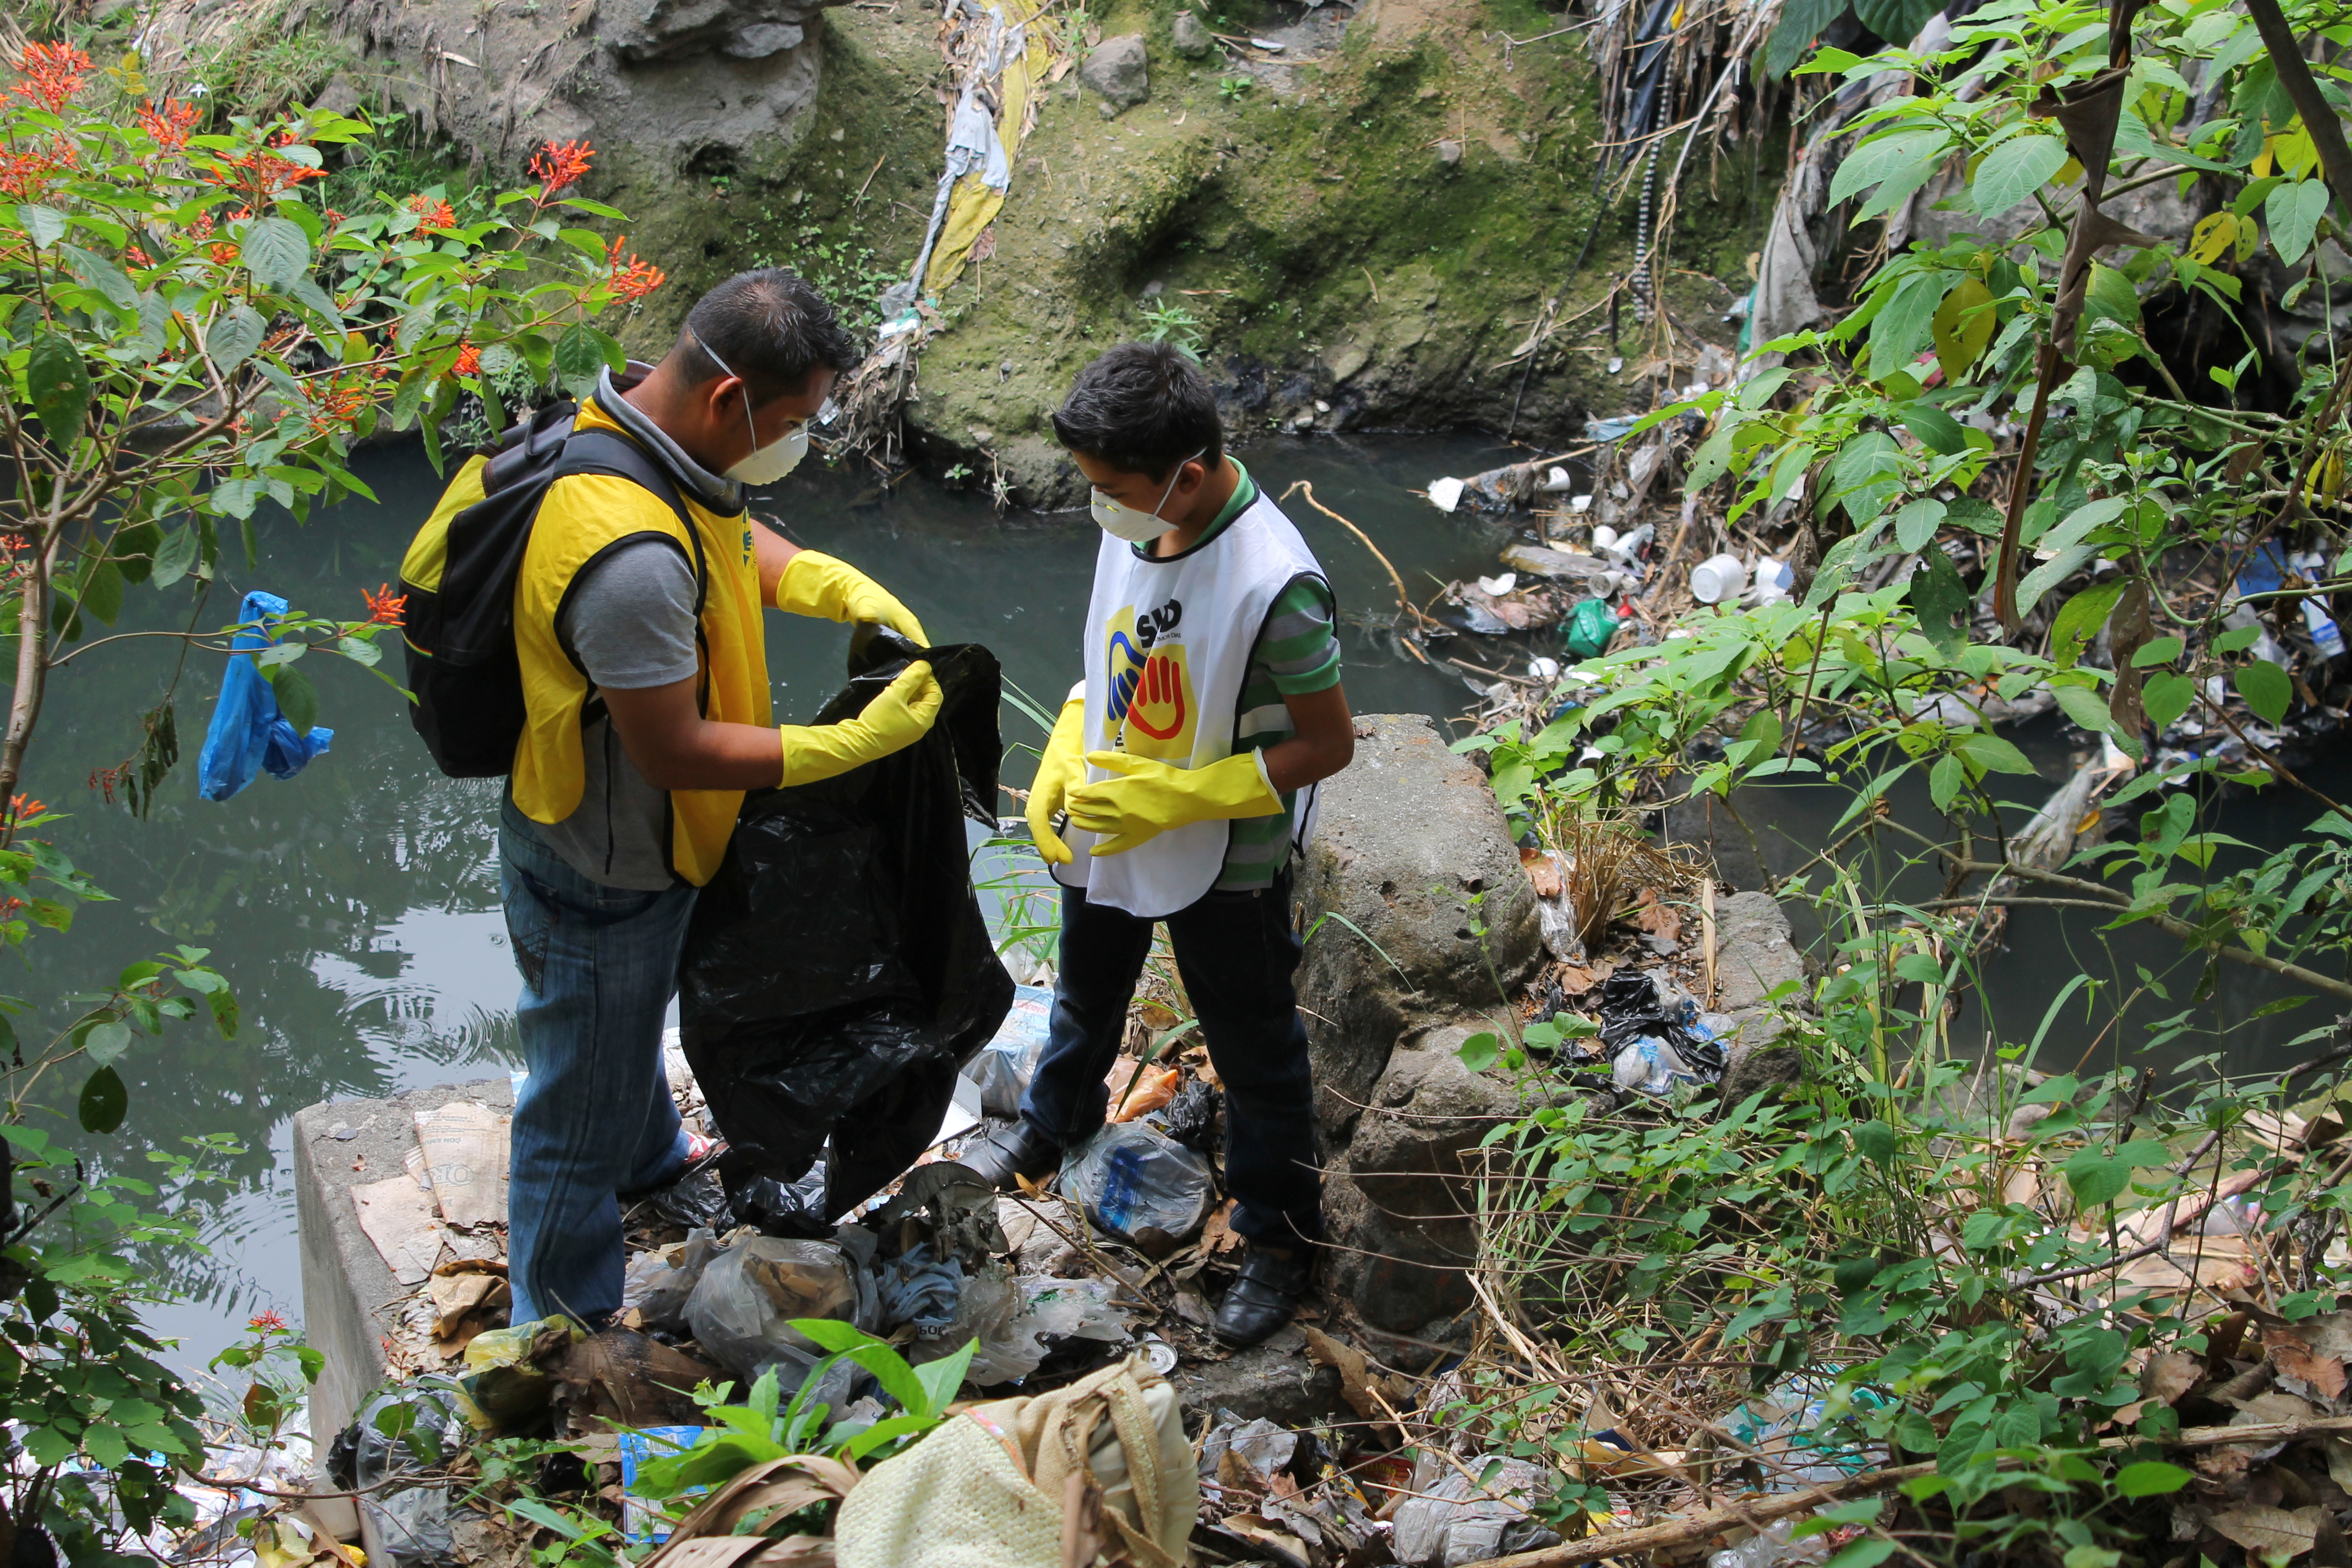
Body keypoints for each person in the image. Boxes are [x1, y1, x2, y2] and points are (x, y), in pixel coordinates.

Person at [425, 269, 939, 1327]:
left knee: (615, 1024)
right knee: (575, 1095)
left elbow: (725, 539)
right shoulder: (629, 566)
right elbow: (674, 749)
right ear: (726, 400)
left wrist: (819, 580)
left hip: (594, 825)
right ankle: (554, 1328)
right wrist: (842, 746)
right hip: (604, 862)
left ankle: (652, 1152)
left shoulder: (627, 422)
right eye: (792, 419)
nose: (796, 440)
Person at [960, 342, 1355, 1347]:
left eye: (1113, 488)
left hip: (1229, 850)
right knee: (1089, 985)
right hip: (1114, 803)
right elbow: (1122, 646)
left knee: (1253, 1043)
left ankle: (1277, 1240)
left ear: (1187, 469)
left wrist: (1189, 797)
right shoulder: (1143, 521)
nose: (1101, 506)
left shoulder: (1279, 583)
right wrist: (1069, 733)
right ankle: (1054, 1124)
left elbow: (1328, 743)